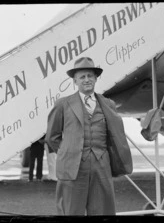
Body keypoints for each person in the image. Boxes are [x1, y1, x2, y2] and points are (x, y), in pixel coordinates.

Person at [45, 57, 132, 215]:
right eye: (82, 77)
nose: (86, 80)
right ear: (75, 81)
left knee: (103, 210)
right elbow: (52, 137)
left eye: (90, 76)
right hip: (73, 167)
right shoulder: (62, 104)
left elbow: (114, 135)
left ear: (96, 78)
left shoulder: (108, 104)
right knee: (71, 211)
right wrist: (69, 152)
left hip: (101, 165)